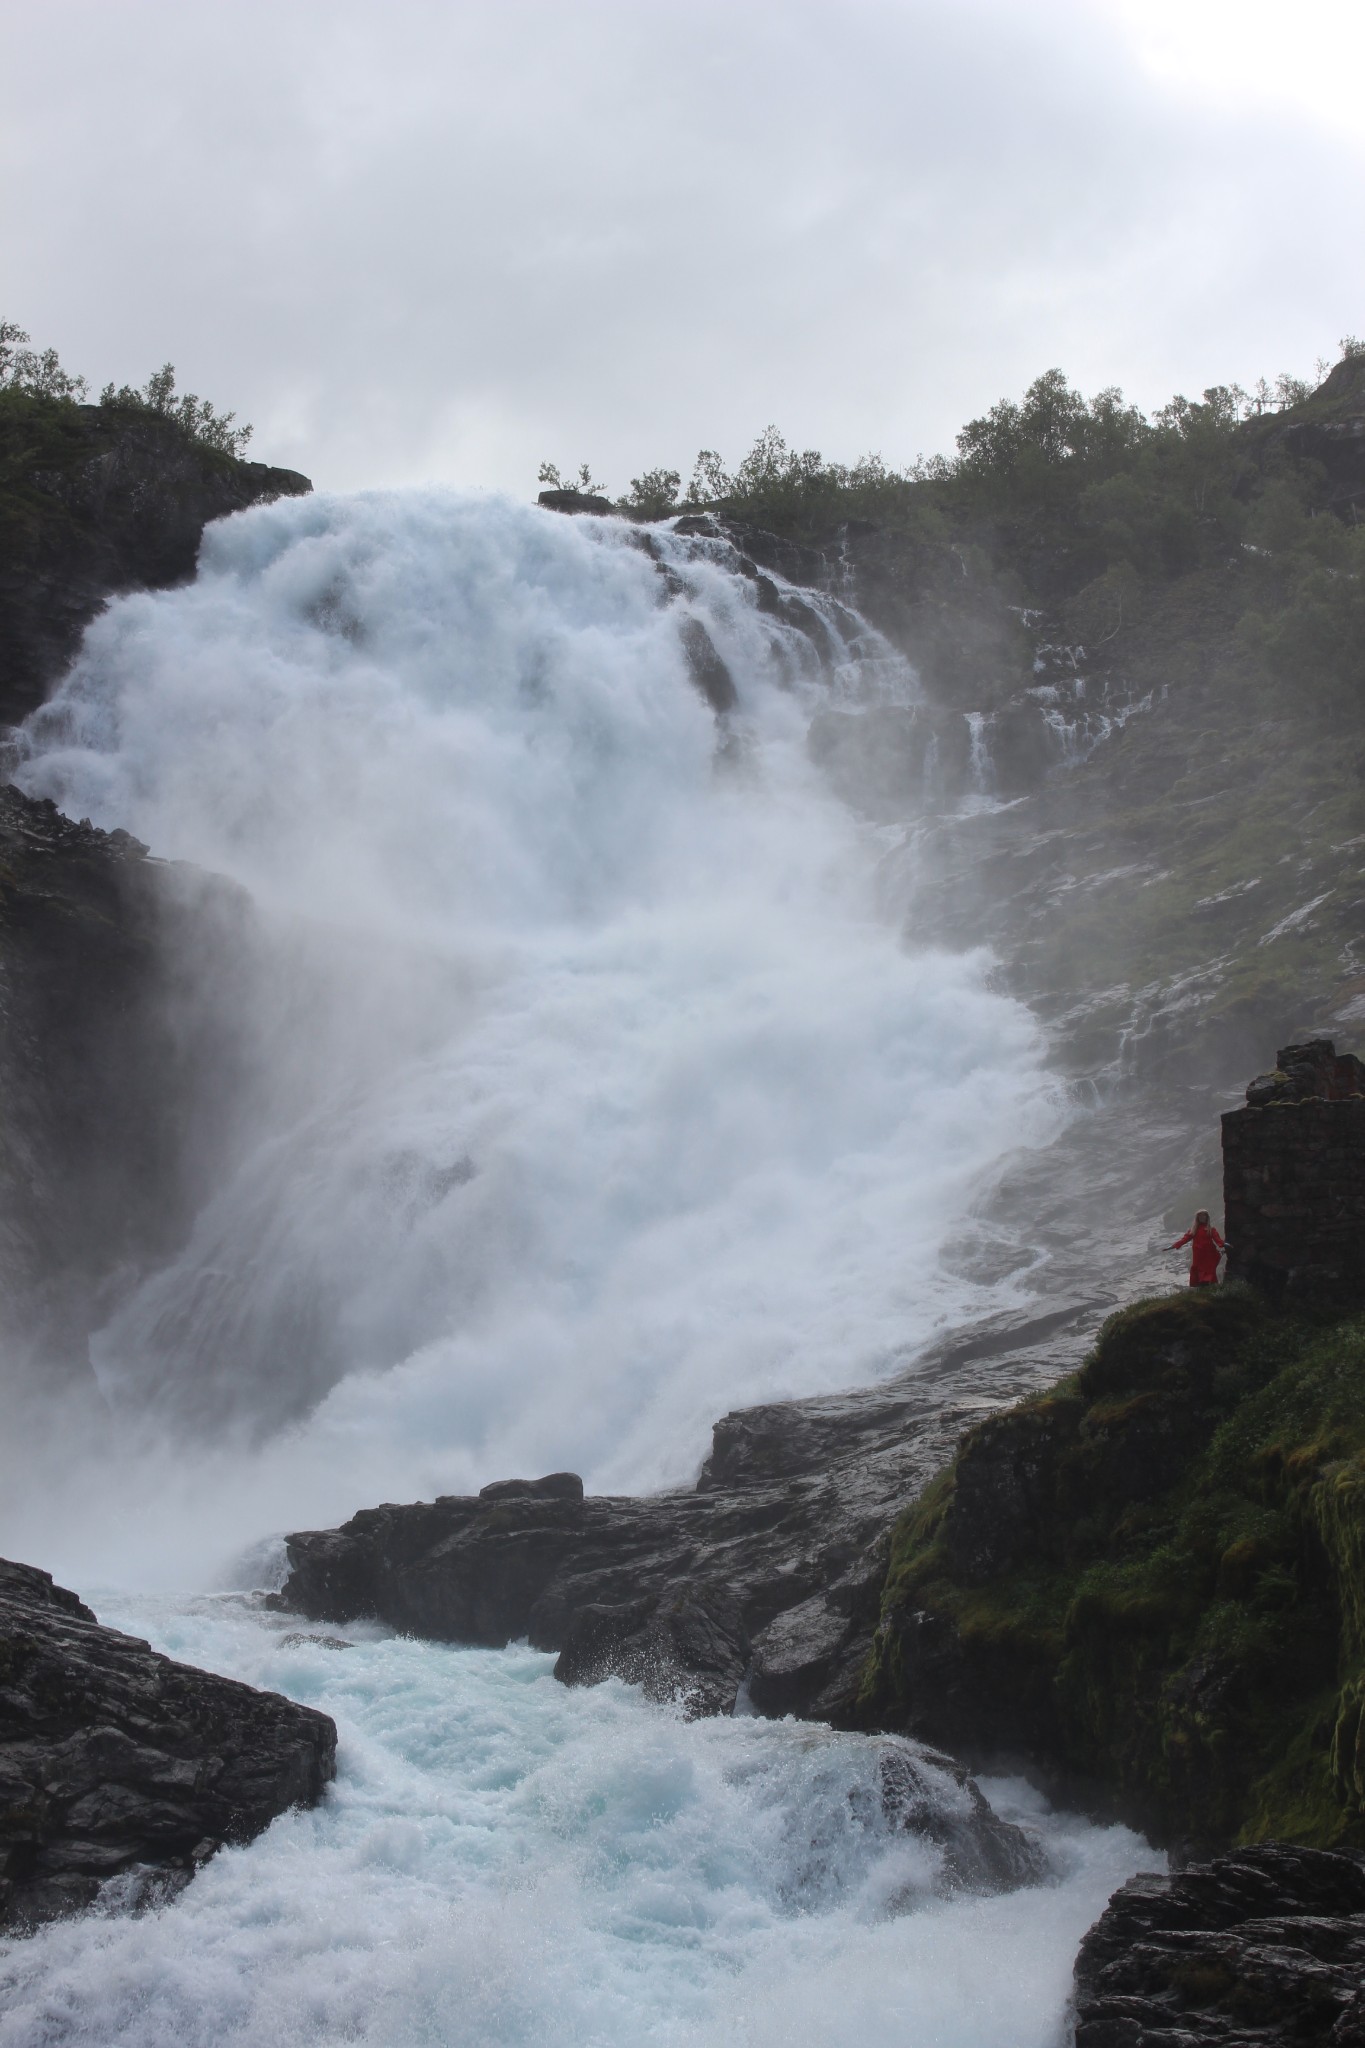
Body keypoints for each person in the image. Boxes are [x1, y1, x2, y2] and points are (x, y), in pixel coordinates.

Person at [1170, 1210, 1228, 1287]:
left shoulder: (1211, 1229)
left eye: (1204, 1216)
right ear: (1197, 1218)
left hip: (1209, 1255)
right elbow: (1185, 1239)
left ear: (1207, 1217)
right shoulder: (1193, 1230)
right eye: (1200, 1216)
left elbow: (1218, 1240)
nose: (1202, 1217)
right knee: (1200, 1273)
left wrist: (1224, 1244)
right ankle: (1205, 1289)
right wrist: (1174, 1245)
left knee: (1209, 1272)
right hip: (1199, 1256)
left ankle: (1208, 1289)